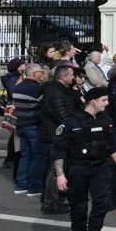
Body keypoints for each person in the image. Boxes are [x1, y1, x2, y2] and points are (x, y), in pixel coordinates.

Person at [51, 86, 116, 231]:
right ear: (93, 101)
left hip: (102, 167)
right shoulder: (70, 122)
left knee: (102, 203)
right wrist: (60, 174)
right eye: (104, 100)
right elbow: (59, 150)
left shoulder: (106, 120)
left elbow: (112, 145)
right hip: (78, 168)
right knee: (79, 206)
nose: (107, 103)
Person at [40, 62, 81, 213]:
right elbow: (62, 116)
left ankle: (55, 198)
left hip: (57, 134)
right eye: (71, 75)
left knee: (57, 168)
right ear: (64, 77)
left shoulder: (61, 90)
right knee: (55, 170)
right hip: (55, 135)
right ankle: (50, 202)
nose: (73, 78)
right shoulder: (55, 93)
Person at [12, 63, 48, 197]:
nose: (43, 74)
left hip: (22, 125)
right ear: (34, 74)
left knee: (25, 156)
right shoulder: (36, 89)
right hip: (34, 125)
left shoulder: (18, 87)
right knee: (38, 156)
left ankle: (21, 185)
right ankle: (34, 187)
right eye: (41, 72)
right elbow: (45, 105)